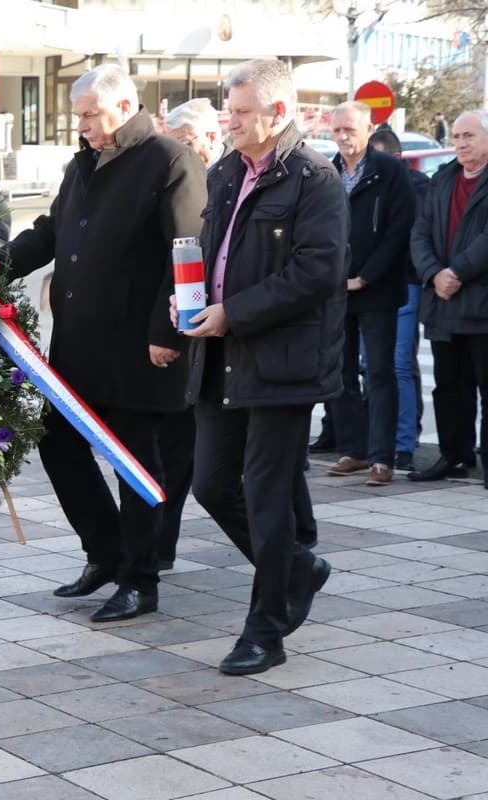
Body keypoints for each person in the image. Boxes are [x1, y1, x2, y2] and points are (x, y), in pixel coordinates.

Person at [8, 65, 206, 621]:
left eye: (91, 115)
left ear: (123, 107)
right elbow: (51, 232)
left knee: (135, 462)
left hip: (139, 348)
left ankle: (140, 580)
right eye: (80, 116)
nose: (83, 125)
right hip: (79, 345)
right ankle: (105, 551)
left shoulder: (169, 160)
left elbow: (188, 251)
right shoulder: (84, 163)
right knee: (57, 444)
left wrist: (170, 332)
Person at [180, 59, 344, 675]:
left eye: (243, 111)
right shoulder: (225, 170)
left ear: (278, 113)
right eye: (229, 107)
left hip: (281, 361)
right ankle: (298, 569)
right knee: (211, 483)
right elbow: (211, 251)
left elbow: (317, 272)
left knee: (269, 497)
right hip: (220, 351)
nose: (231, 119)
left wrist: (234, 312)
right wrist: (189, 296)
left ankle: (266, 629)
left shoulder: (313, 177)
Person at [324, 101, 415, 486]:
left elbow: (400, 229)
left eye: (350, 130)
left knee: (379, 372)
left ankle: (382, 457)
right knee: (338, 373)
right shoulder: (326, 170)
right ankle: (353, 450)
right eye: (337, 131)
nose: (343, 137)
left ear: (368, 128)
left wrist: (366, 276)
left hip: (376, 290)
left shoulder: (390, 171)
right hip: (334, 290)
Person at [158, 98, 226, 569]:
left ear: (209, 140)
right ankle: (159, 546)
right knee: (176, 449)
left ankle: (295, 542)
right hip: (189, 331)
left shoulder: (225, 178)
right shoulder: (185, 178)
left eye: (184, 144)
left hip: (229, 334)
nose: (177, 154)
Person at [409, 110, 488, 485]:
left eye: (469, 135)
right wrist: (433, 273)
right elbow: (419, 233)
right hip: (443, 302)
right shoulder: (441, 180)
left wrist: (457, 272)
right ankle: (453, 456)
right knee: (449, 388)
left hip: (481, 303)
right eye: (456, 136)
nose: (459, 143)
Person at [369, 127, 430, 473]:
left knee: (398, 364)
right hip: (368, 287)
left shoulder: (416, 186)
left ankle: (403, 444)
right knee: (373, 368)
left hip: (403, 284)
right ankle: (378, 442)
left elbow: (411, 236)